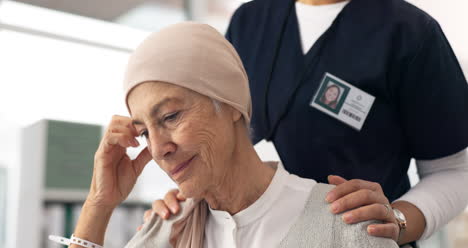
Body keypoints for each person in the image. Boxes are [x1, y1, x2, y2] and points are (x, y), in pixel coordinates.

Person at [147, 0, 468, 247]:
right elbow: (218, 134)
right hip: (255, 236)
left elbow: (454, 171)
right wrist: (192, 198)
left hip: (355, 240)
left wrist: (398, 221)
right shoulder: (250, 22)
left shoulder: (410, 34)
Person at [52, 22, 398, 248]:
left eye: (170, 116)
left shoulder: (348, 227)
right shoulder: (161, 233)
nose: (158, 149)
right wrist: (98, 204)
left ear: (232, 103)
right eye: (143, 133)